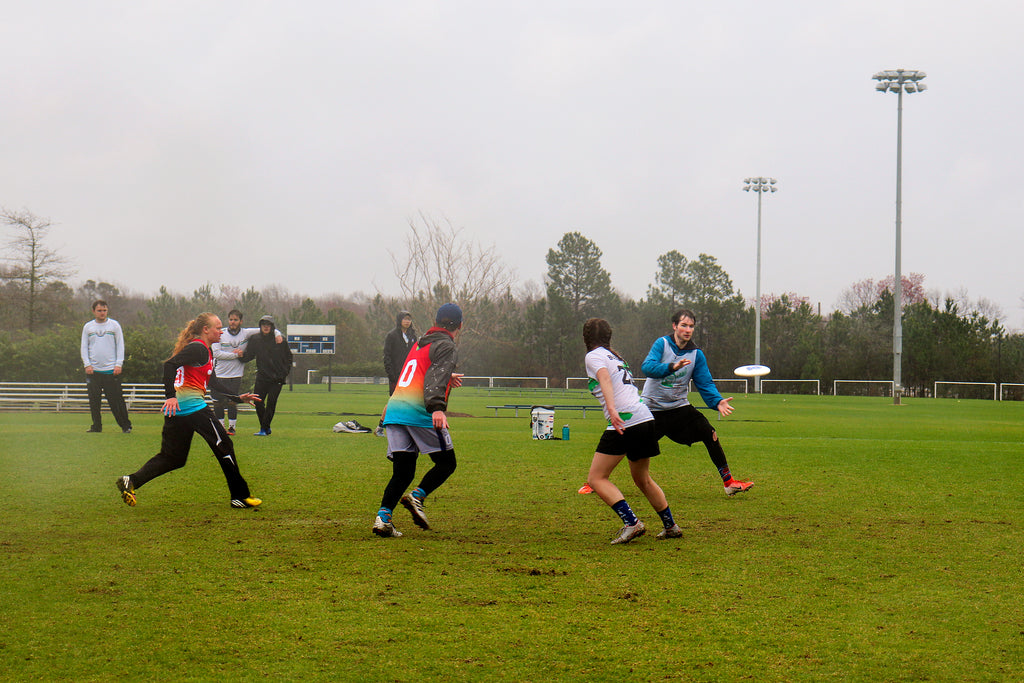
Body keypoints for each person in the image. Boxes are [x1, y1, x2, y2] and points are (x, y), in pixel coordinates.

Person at [115, 313, 262, 509]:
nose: (222, 331)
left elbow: (213, 383)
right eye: (218, 327)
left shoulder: (205, 352)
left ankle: (130, 480)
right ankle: (240, 496)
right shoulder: (198, 348)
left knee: (173, 458)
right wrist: (170, 396)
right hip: (192, 408)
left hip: (177, 412)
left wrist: (238, 398)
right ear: (205, 330)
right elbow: (170, 365)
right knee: (224, 445)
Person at [583, 318, 682, 544]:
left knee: (597, 478)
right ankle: (670, 526)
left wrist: (611, 408)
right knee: (642, 478)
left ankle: (632, 523)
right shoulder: (615, 356)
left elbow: (605, 379)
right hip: (645, 417)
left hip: (626, 420)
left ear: (586, 338)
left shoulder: (593, 355)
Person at [372, 303, 464, 538]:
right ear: (460, 325)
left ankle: (383, 518)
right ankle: (417, 497)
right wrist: (437, 408)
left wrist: (445, 376)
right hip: (418, 411)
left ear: (436, 321)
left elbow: (416, 372)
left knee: (402, 472)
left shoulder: (420, 341)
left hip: (396, 411)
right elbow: (434, 375)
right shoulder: (446, 345)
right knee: (447, 463)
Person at [640, 308, 753, 496]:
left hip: (678, 409)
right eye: (683, 325)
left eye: (691, 326)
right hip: (651, 409)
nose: (688, 329)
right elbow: (647, 367)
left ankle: (729, 483)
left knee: (710, 433)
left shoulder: (696, 354)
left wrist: (717, 401)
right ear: (674, 326)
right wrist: (671, 367)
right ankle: (597, 481)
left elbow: (704, 381)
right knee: (626, 442)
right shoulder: (662, 344)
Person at [211, 309, 281, 435]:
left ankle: (232, 428)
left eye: (235, 320)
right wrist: (235, 355)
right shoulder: (221, 334)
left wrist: (278, 334)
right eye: (231, 319)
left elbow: (269, 329)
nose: (233, 322)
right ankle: (220, 427)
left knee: (233, 401)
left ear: (241, 321)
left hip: (236, 374)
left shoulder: (246, 333)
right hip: (220, 373)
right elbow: (216, 353)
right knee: (218, 403)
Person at [80, 299, 133, 434]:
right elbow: (84, 347)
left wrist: (118, 364)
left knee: (116, 400)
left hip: (111, 371)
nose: (102, 313)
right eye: (99, 310)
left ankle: (125, 426)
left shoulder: (114, 326)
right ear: (94, 311)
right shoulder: (88, 327)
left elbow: (120, 345)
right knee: (94, 401)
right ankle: (96, 426)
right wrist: (87, 364)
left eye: (104, 310)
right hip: (93, 371)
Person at [240, 315, 293, 436]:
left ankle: (264, 429)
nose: (266, 327)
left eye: (268, 325)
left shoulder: (280, 339)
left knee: (271, 403)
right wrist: (239, 356)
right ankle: (265, 427)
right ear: (260, 326)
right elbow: (249, 356)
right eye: (263, 324)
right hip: (262, 377)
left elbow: (288, 357)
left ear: (272, 326)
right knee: (258, 402)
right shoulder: (255, 339)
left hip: (277, 378)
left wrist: (284, 373)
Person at [375, 310, 417, 436]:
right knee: (394, 401)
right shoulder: (392, 335)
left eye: (409, 319)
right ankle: (380, 427)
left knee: (410, 401)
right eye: (405, 319)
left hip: (409, 375)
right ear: (399, 320)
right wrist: (391, 374)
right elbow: (387, 356)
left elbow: (416, 354)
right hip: (396, 375)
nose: (407, 322)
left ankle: (406, 428)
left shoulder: (413, 335)